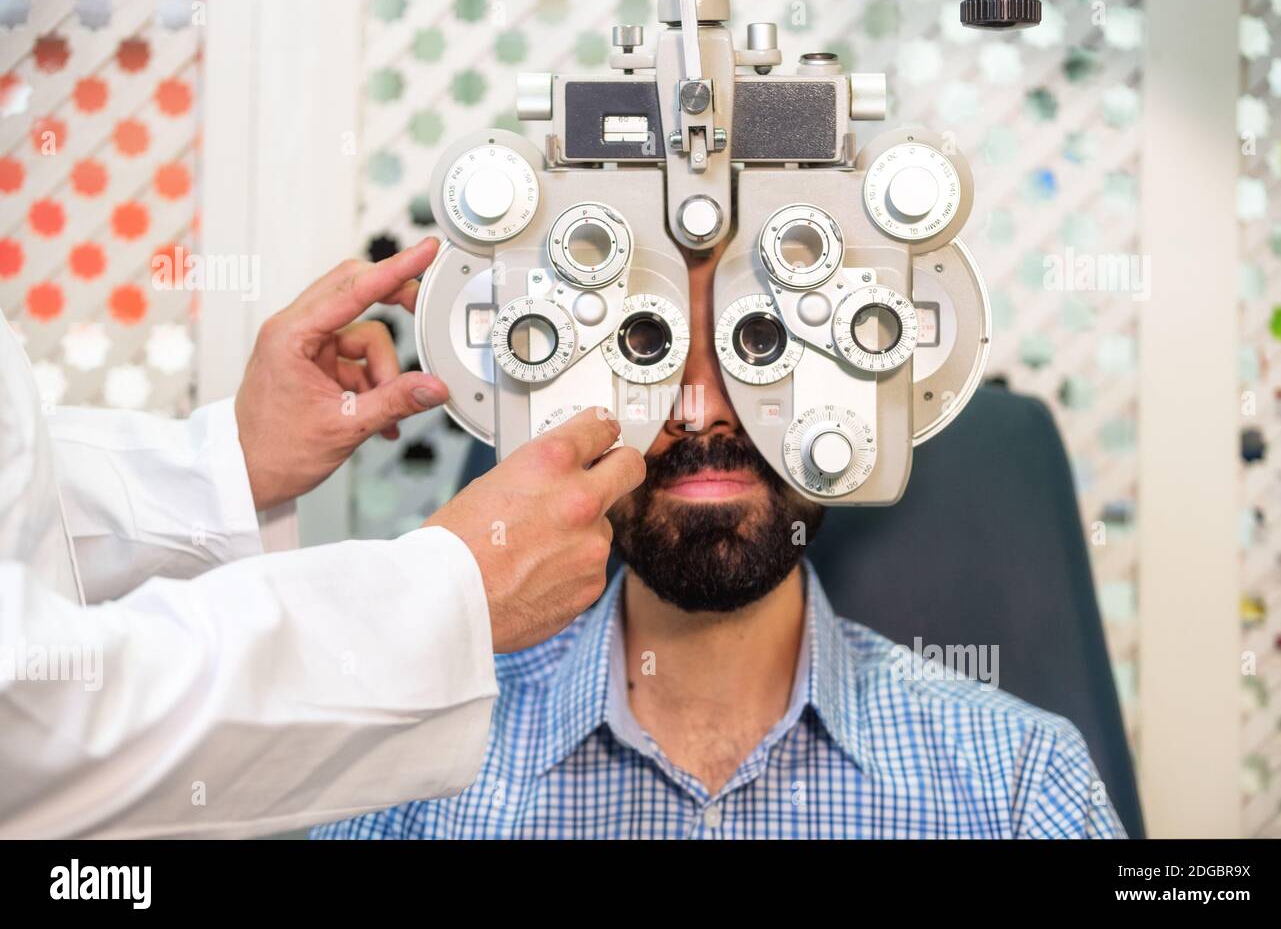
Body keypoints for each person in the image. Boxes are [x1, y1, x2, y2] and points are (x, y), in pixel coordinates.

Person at [315, 239, 1125, 840]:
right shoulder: (413, 782)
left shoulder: (1018, 781)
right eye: (645, 345)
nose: (700, 410)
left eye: (762, 345)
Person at [0, 237, 644, 838]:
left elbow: (25, 515)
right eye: (647, 342)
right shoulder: (424, 809)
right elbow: (30, 716)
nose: (698, 402)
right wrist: (446, 596)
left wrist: (229, 467)